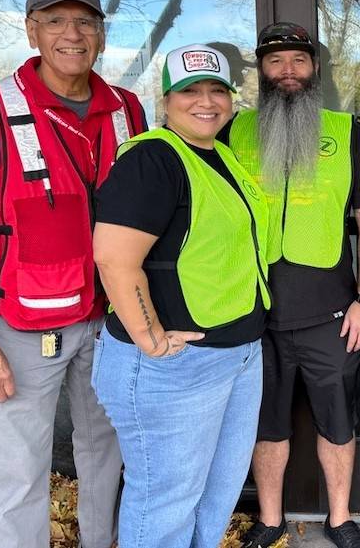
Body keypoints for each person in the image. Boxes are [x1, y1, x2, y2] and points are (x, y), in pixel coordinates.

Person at [0, 0, 146, 548]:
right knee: (19, 470)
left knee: (106, 453)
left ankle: (101, 541)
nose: (71, 34)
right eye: (55, 21)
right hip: (19, 329)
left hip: (111, 322)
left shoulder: (128, 110)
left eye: (85, 21)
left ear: (102, 36)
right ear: (32, 31)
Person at [90, 44, 269, 548]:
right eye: (189, 90)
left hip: (236, 355)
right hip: (176, 366)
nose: (205, 101)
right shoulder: (153, 159)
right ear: (165, 100)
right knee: (165, 502)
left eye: (217, 89)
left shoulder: (220, 155)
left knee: (215, 494)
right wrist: (150, 340)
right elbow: (114, 259)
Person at [223, 22, 360, 548]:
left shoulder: (348, 134)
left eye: (299, 60)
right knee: (265, 423)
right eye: (276, 62)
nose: (288, 71)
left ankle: (340, 519)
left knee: (337, 420)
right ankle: (270, 519)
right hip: (253, 314)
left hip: (331, 313)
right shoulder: (233, 131)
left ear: (316, 68)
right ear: (262, 72)